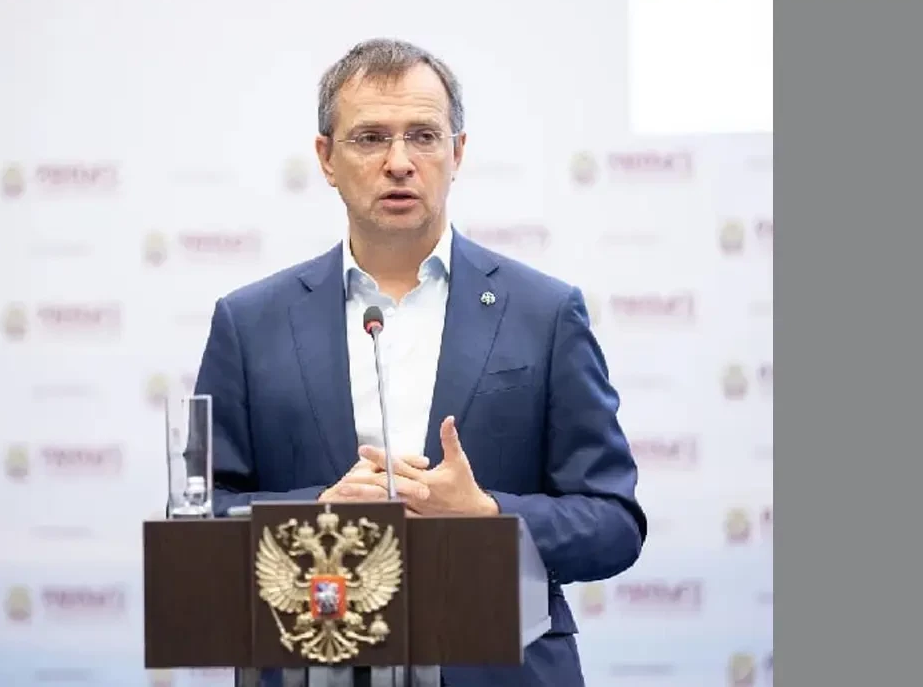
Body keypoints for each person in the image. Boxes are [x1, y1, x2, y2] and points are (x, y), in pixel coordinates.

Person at [194, 38, 647, 687]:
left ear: (457, 153)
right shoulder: (250, 322)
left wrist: (488, 516)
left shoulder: (544, 313)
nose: (400, 162)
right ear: (325, 157)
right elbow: (200, 519)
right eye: (371, 138)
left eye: (424, 137)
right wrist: (316, 512)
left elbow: (613, 522)